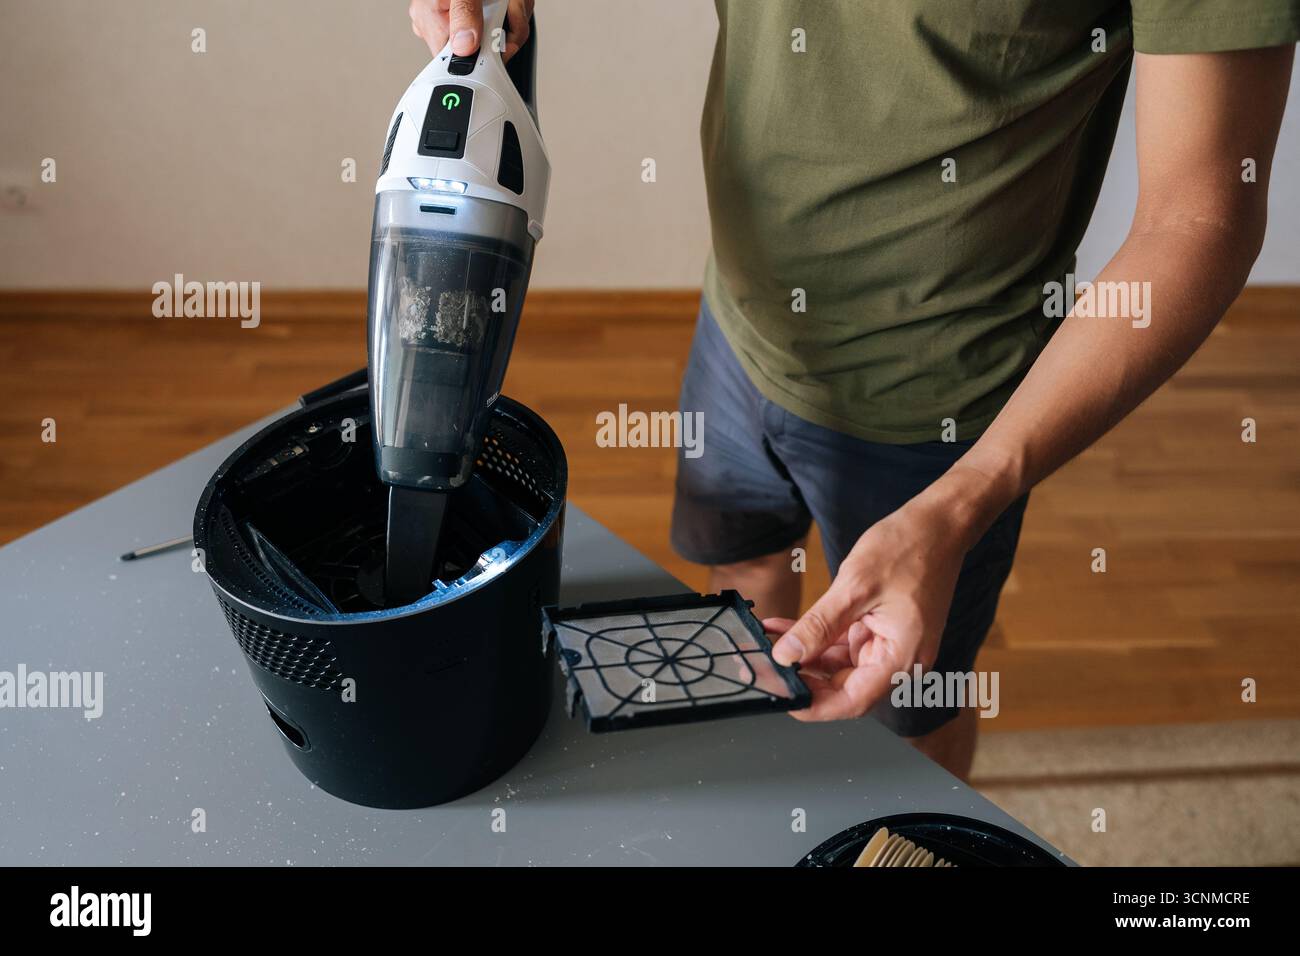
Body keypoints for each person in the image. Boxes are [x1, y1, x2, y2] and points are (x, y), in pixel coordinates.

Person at [410, 0, 1298, 778]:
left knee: (908, 715)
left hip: (939, 412)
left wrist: (959, 508)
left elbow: (1202, 218)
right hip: (740, 321)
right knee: (744, 600)